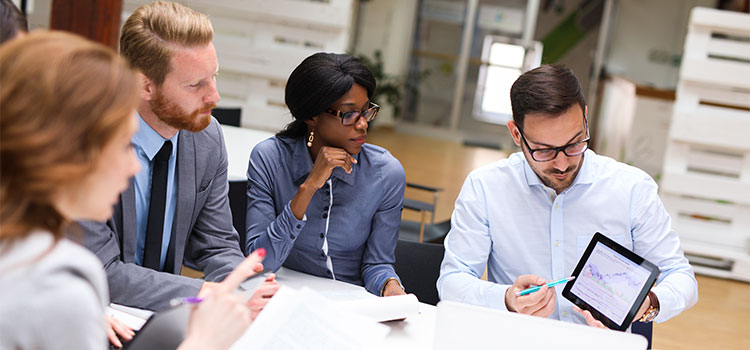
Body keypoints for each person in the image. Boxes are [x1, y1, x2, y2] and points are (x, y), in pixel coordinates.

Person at [0, 30, 261, 350]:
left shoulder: (23, 255)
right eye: (122, 146)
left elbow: (218, 243)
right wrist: (202, 342)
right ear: (68, 152)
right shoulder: (60, 289)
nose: (135, 165)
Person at [437, 64, 698, 327]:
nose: (562, 164)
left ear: (585, 119)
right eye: (544, 151)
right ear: (516, 134)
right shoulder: (485, 188)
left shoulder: (632, 189)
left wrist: (647, 303)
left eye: (574, 144)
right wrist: (506, 299)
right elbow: (452, 282)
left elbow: (681, 277)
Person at [79, 1, 279, 312]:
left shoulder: (206, 137)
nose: (214, 96)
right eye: (196, 84)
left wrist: (244, 286)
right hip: (94, 316)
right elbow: (101, 272)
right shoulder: (88, 142)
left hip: (166, 315)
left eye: (213, 76)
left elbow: (217, 244)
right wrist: (208, 293)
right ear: (146, 85)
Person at [245, 52, 407, 297]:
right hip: (281, 298)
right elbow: (258, 264)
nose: (363, 124)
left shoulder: (386, 173)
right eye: (349, 114)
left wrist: (391, 288)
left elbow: (377, 265)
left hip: (349, 306)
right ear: (312, 116)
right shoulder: (269, 159)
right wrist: (309, 187)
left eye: (366, 111)